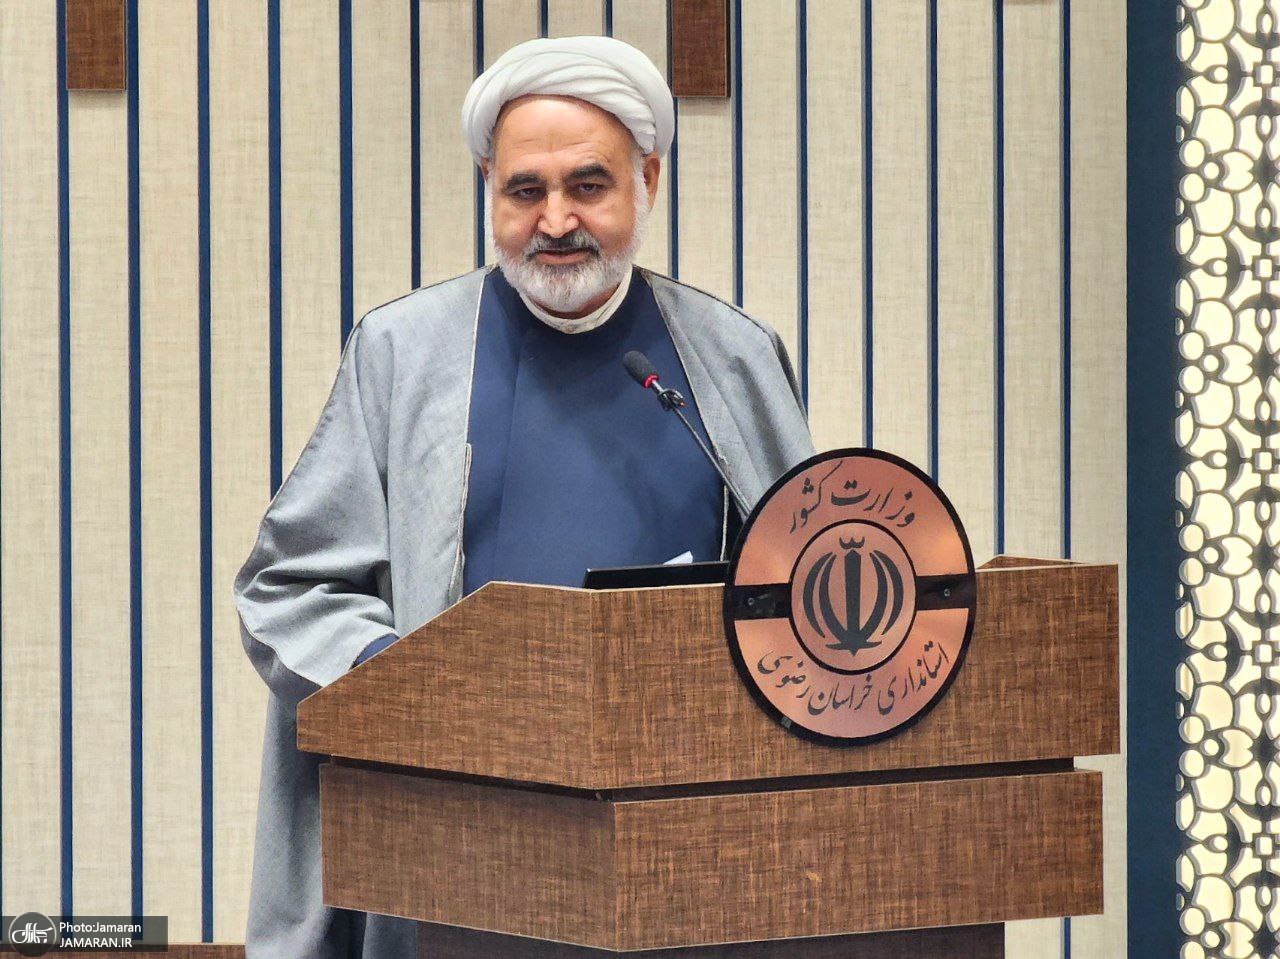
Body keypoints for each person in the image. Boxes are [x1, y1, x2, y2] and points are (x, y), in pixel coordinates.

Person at [233, 35, 815, 959]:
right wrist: (410, 679)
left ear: (647, 181)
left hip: (682, 855)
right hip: (453, 837)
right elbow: (287, 588)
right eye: (524, 190)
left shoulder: (734, 356)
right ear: (489, 190)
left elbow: (802, 601)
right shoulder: (402, 353)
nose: (556, 220)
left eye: (588, 185)